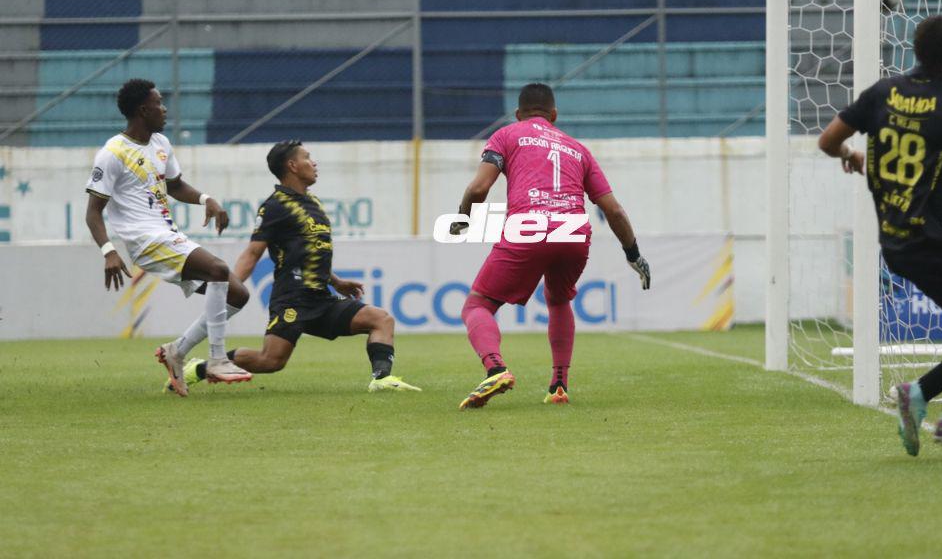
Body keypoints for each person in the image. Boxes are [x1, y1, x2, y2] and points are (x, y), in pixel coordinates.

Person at [818, 14, 942, 455]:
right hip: (934, 244)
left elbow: (827, 140)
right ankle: (920, 394)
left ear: (915, 50)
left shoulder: (881, 93)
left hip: (896, 243)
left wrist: (852, 153)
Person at [454, 83, 650, 410]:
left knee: (477, 306)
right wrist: (633, 254)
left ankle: (496, 368)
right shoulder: (578, 149)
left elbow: (478, 188)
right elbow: (614, 210)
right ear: (554, 115)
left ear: (518, 114)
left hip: (529, 226)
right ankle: (559, 384)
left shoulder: (508, 134)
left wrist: (462, 218)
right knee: (558, 299)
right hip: (574, 230)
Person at [172, 140, 420, 393]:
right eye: (307, 157)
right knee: (271, 361)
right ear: (292, 165)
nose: (314, 163)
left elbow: (310, 252)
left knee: (381, 319)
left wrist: (337, 282)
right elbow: (252, 253)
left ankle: (381, 380)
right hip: (292, 299)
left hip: (321, 299)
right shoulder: (275, 206)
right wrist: (231, 286)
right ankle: (199, 369)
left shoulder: (314, 204)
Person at [85, 78, 252, 397]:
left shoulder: (160, 143)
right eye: (159, 103)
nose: (164, 109)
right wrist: (109, 251)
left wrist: (206, 199)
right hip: (144, 240)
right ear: (142, 110)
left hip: (168, 234)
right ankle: (217, 359)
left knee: (237, 295)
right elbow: (93, 211)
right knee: (217, 269)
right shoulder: (112, 153)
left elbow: (174, 186)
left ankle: (177, 351)